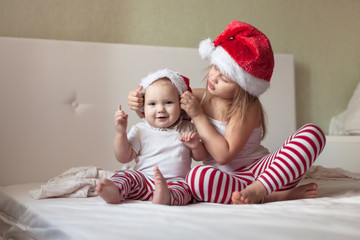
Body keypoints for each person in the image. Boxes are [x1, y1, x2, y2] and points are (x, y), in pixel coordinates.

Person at [128, 21, 326, 204]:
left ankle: (261, 191)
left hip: (268, 173)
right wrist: (139, 102)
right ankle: (272, 196)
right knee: (195, 178)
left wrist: (198, 116)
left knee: (312, 133)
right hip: (227, 181)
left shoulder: (248, 106)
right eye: (215, 67)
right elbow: (164, 111)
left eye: (226, 79)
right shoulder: (198, 97)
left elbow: (224, 155)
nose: (213, 78)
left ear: (243, 87)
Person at [97, 69, 207, 206]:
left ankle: (165, 196)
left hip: (174, 181)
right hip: (143, 179)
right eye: (152, 104)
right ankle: (116, 191)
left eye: (168, 103)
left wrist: (195, 145)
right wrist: (121, 132)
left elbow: (200, 157)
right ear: (143, 107)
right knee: (126, 175)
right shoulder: (140, 129)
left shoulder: (187, 128)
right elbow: (123, 157)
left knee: (185, 190)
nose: (160, 109)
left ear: (180, 105)